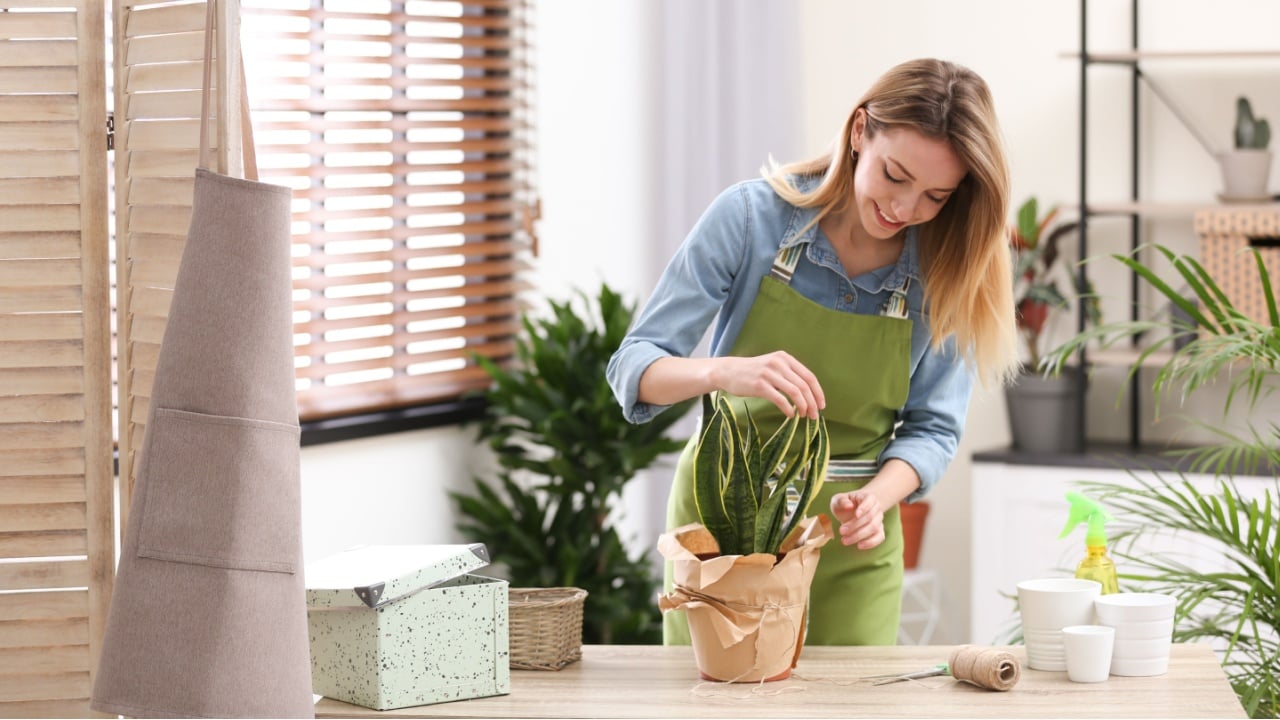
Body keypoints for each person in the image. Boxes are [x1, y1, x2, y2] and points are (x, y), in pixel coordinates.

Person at [606, 57, 1019, 645]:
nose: (904, 209)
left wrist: (877, 500)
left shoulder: (947, 266)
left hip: (852, 545)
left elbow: (933, 429)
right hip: (726, 531)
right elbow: (635, 367)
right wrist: (728, 371)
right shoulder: (750, 219)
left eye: (934, 196)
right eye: (894, 175)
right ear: (859, 133)